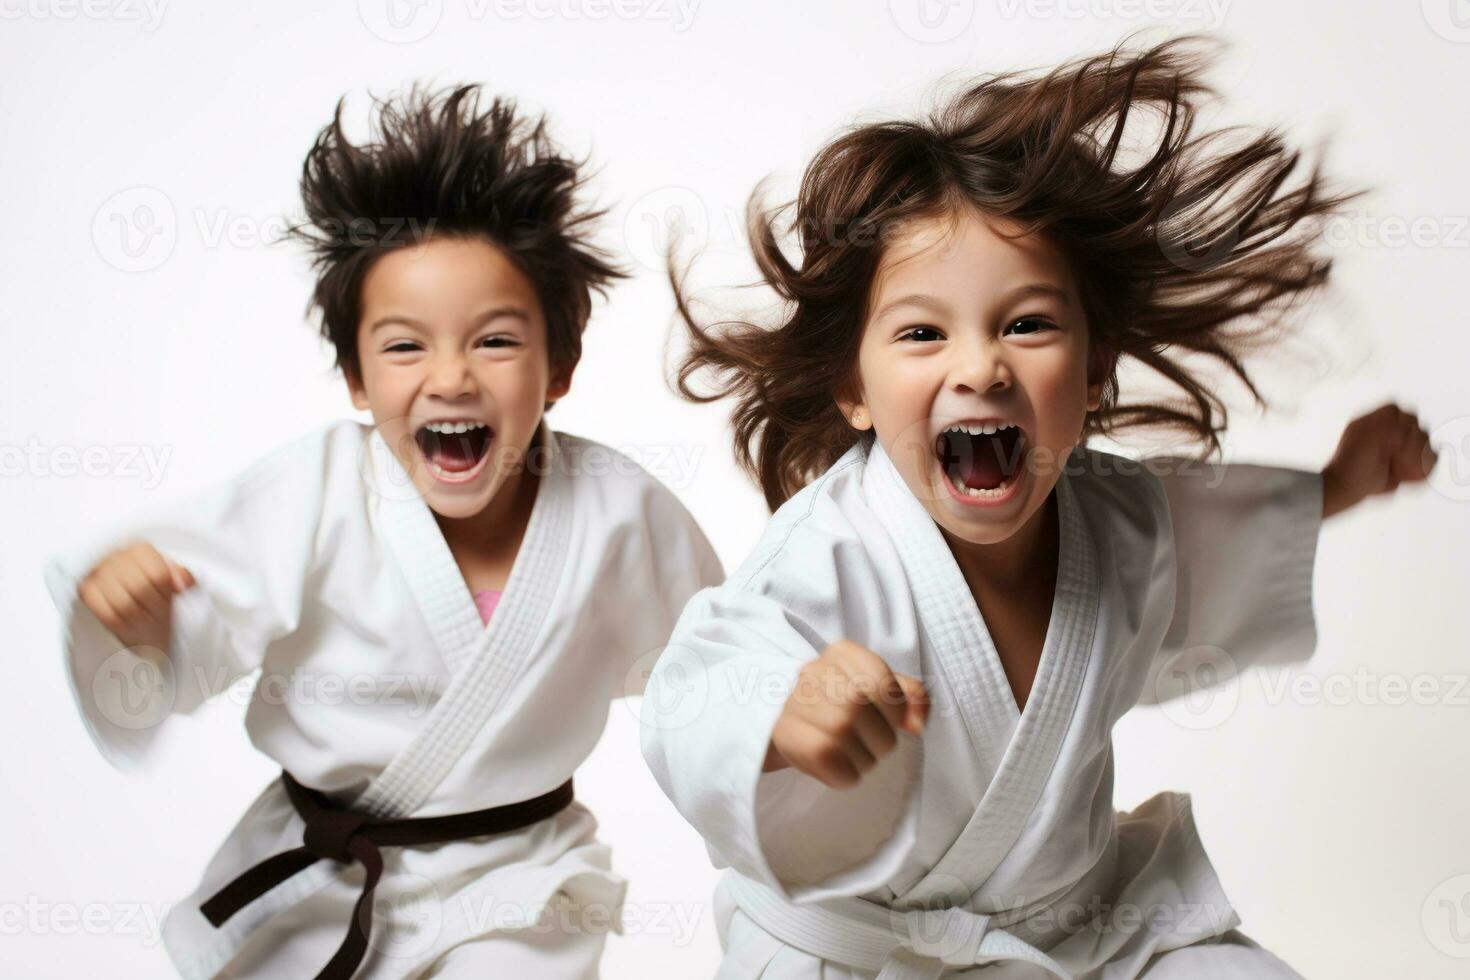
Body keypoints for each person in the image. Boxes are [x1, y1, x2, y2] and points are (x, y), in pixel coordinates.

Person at [640, 35, 1437, 979]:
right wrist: (775, 709)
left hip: (1083, 931)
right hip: (864, 956)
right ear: (852, 388)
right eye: (922, 332)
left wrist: (1341, 483)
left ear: (1095, 369)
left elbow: (1212, 533)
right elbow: (688, 691)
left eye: (1028, 323)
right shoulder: (832, 556)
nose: (980, 366)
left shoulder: (1122, 521)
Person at [43, 84, 721, 979]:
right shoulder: (312, 492)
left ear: (560, 365)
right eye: (404, 346)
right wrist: (138, 626)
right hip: (319, 872)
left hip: (517, 881)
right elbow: (190, 637)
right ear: (358, 380)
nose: (450, 378)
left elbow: (716, 667)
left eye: (495, 341)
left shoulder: (618, 511)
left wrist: (795, 708)